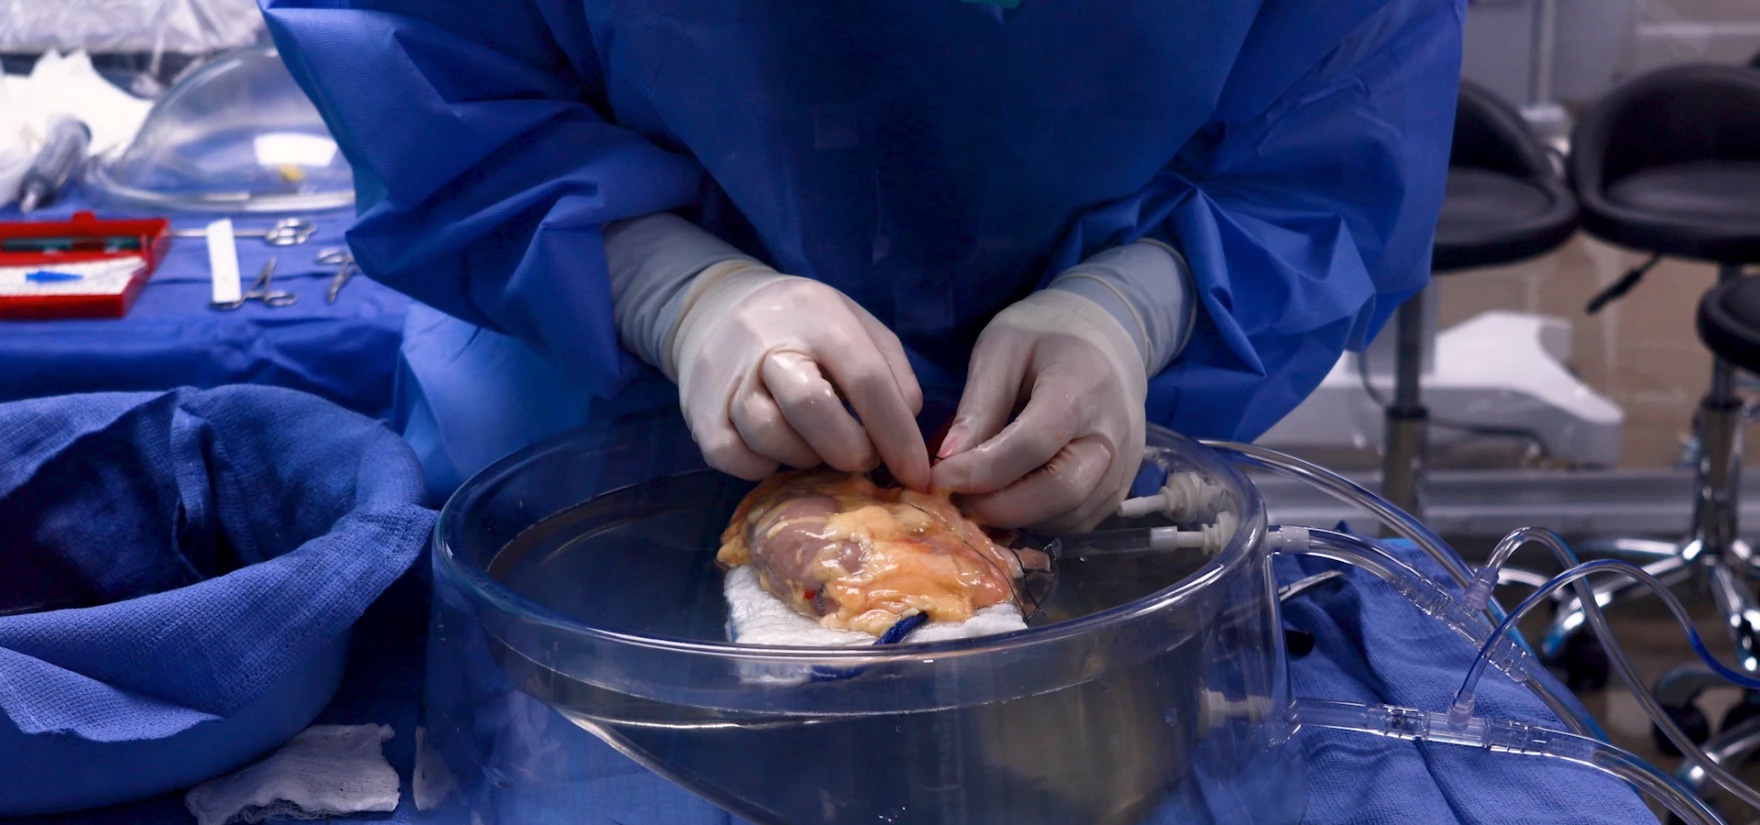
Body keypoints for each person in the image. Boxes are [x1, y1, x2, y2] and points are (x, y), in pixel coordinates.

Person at [262, 0, 1462, 531]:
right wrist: (670, 291)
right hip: (590, 474)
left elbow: (1336, 151)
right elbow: (427, 84)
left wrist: (1134, 304)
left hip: (1082, 502)